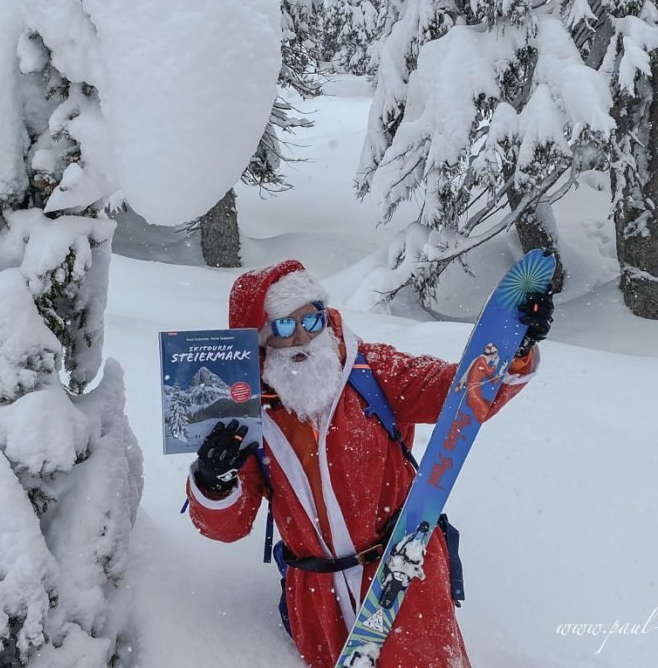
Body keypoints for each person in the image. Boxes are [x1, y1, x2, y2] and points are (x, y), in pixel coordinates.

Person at [185, 260, 553, 668]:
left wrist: (512, 351)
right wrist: (212, 482)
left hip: (404, 576)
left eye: (313, 318)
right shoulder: (247, 417)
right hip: (318, 601)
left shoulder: (371, 371)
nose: (305, 336)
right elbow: (229, 526)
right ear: (260, 339)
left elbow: (458, 395)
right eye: (285, 327)